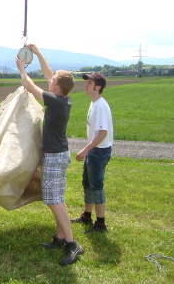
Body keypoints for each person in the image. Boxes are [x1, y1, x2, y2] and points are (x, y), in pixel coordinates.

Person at [15, 44, 83, 266]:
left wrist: (22, 68)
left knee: (54, 201)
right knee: (57, 199)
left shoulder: (54, 100)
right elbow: (49, 74)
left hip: (55, 156)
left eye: (53, 80)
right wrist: (38, 52)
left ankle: (72, 244)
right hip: (58, 154)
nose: (49, 80)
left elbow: (29, 85)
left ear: (58, 87)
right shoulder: (62, 99)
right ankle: (59, 238)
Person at [71, 73, 113, 233]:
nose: (86, 85)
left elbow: (103, 133)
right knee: (87, 185)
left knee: (96, 187)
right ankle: (87, 216)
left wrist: (85, 149)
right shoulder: (94, 103)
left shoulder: (100, 106)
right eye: (86, 82)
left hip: (99, 152)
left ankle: (101, 224)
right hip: (94, 151)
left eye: (89, 82)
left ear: (98, 87)